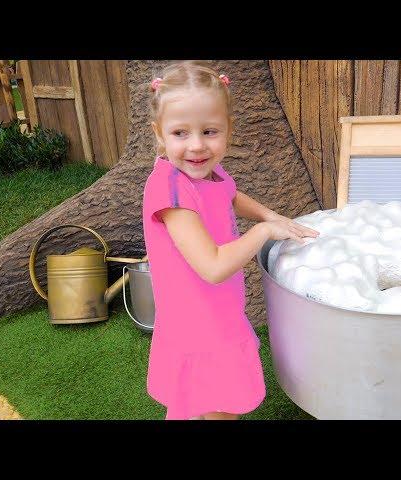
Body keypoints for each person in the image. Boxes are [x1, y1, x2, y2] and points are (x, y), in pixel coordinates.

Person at [141, 61, 319, 420]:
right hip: (198, 325)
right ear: (159, 133)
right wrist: (263, 232)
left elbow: (229, 195)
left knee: (198, 404)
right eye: (180, 133)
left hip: (216, 312)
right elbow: (213, 266)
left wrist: (270, 215)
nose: (196, 146)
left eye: (209, 131)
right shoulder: (170, 190)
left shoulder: (209, 172)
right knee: (219, 407)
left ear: (228, 129)